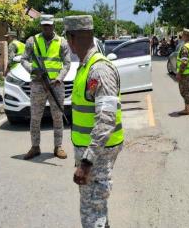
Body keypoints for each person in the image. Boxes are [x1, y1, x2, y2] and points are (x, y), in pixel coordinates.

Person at [64, 15, 123, 228]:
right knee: (95, 207)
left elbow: (106, 120)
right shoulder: (85, 65)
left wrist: (87, 162)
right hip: (93, 148)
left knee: (92, 210)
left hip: (98, 151)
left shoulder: (98, 69)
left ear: (71, 38)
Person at [21, 15, 71, 160]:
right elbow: (24, 59)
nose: (46, 28)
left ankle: (58, 146)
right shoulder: (32, 40)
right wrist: (32, 69)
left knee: (57, 117)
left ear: (53, 25)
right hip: (37, 84)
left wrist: (59, 78)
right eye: (44, 25)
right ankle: (35, 147)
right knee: (35, 117)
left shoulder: (62, 42)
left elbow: (67, 64)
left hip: (56, 85)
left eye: (49, 25)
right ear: (41, 26)